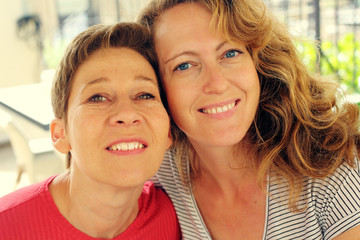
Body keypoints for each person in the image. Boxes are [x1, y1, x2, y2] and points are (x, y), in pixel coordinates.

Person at [138, 0, 360, 239]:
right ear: (157, 87)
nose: (217, 83)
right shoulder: (152, 176)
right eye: (184, 65)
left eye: (230, 53)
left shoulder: (330, 169)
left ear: (259, 63)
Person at [0, 22, 181, 240]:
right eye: (97, 98)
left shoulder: (177, 218)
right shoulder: (7, 227)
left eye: (145, 95)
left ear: (168, 132)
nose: (126, 113)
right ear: (60, 134)